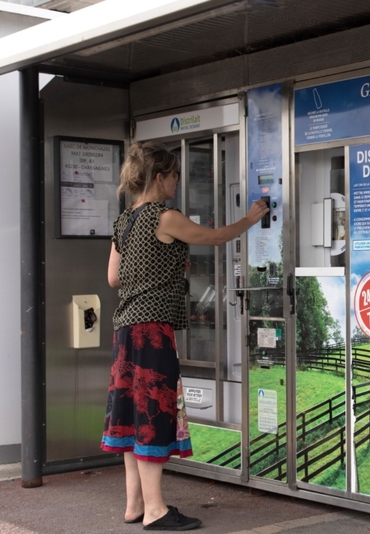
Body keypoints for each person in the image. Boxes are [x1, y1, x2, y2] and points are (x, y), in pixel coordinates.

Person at [101, 141, 269, 531]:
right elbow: (212, 238)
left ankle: (135, 506)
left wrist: (145, 275)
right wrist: (251, 218)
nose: (177, 181)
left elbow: (113, 277)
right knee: (153, 415)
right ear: (160, 177)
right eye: (175, 174)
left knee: (129, 416)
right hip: (153, 332)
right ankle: (157, 510)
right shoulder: (164, 215)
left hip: (125, 329)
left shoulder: (124, 220)